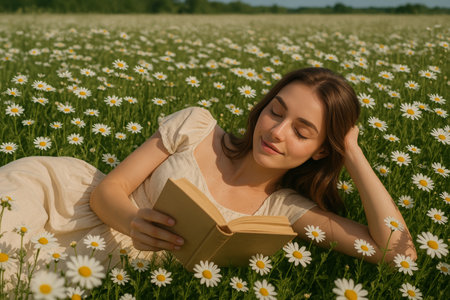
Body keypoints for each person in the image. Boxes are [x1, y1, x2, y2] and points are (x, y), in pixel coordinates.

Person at [0, 67, 416, 276]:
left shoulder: (285, 211)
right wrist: (132, 220)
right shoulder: (197, 126)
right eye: (276, 111)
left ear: (321, 150)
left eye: (301, 131)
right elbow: (109, 190)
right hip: (60, 197)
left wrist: (354, 153)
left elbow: (396, 252)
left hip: (98, 261)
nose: (276, 131)